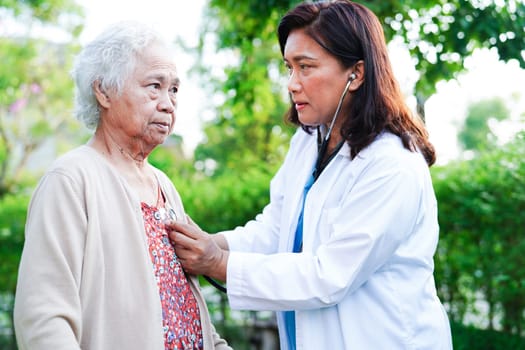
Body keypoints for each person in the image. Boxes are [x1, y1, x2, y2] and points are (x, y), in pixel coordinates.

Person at [168, 1, 453, 349]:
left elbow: (329, 276)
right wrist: (213, 243)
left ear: (357, 73)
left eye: (306, 67)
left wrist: (219, 263)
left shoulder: (392, 165)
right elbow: (277, 228)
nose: (292, 84)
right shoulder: (308, 142)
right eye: (289, 67)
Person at [13, 21, 231, 350]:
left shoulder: (163, 185)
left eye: (173, 89)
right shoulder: (71, 179)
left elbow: (185, 303)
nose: (168, 103)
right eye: (154, 86)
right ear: (103, 91)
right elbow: (44, 317)